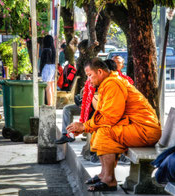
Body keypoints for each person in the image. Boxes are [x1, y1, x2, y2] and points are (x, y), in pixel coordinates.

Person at [66, 58, 161, 192]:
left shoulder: (113, 84)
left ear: (99, 71)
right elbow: (105, 114)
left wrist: (84, 126)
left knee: (105, 132)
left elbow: (110, 117)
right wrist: (85, 127)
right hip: (138, 128)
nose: (88, 80)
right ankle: (104, 175)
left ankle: (109, 180)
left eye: (89, 75)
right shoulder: (109, 83)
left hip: (145, 130)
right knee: (100, 131)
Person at [40, 35, 56, 105]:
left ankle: (49, 105)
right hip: (52, 67)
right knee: (51, 87)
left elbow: (42, 62)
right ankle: (51, 104)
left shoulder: (45, 50)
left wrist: (40, 71)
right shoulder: (53, 49)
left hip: (46, 67)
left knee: (47, 88)